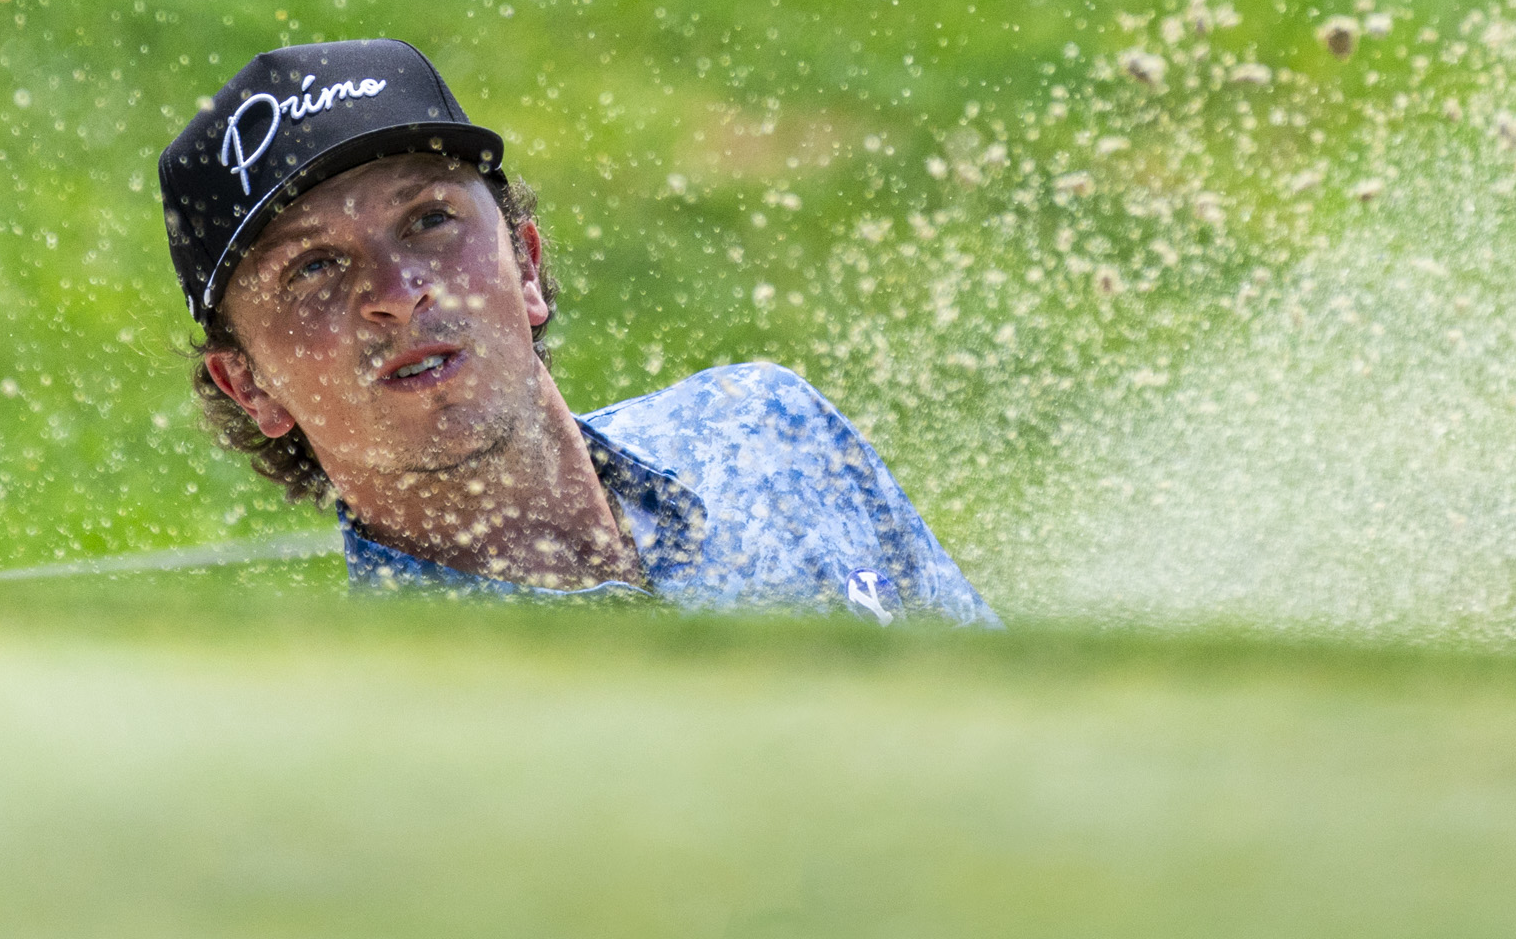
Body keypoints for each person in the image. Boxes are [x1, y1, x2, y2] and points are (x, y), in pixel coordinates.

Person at [157, 38, 994, 622]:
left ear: (525, 265)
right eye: (313, 269)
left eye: (428, 219)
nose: (398, 292)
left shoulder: (767, 424)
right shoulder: (403, 709)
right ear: (252, 386)